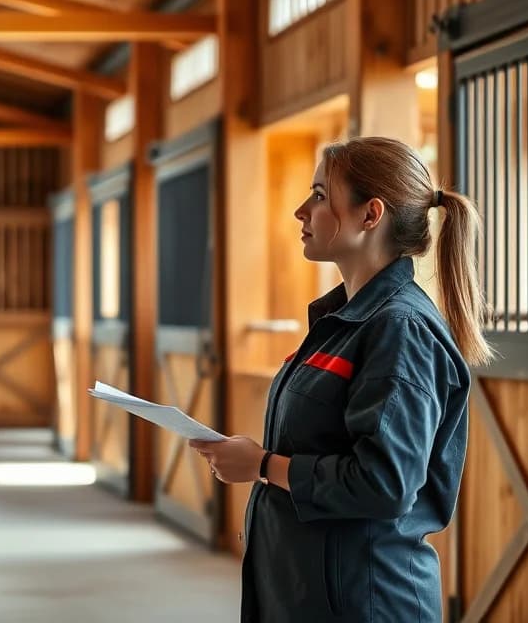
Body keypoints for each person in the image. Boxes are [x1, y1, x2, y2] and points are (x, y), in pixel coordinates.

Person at [190, 137, 492, 622]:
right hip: (309, 593)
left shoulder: (400, 329)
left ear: (370, 215)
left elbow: (384, 483)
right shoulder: (344, 320)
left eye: (319, 195)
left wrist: (262, 464)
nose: (300, 210)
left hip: (365, 602)